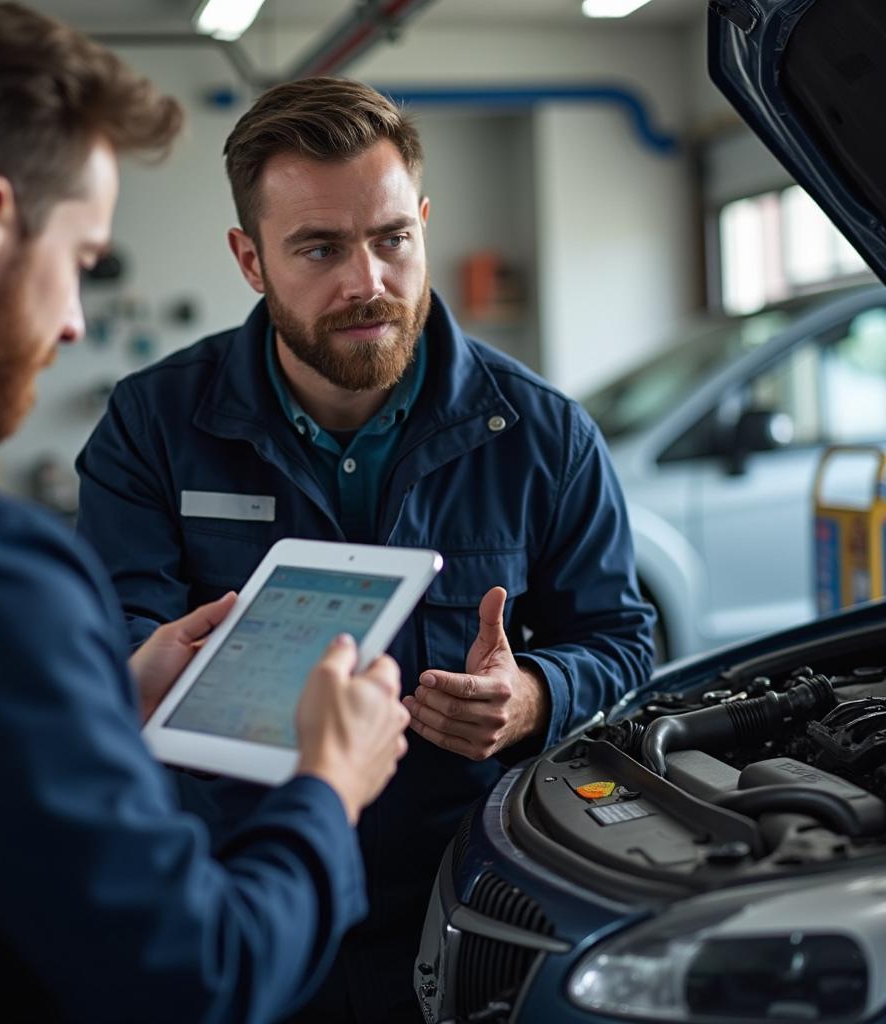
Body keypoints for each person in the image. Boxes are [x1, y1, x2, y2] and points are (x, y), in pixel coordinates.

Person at [0, 4, 411, 1022]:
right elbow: (198, 971)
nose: (74, 321)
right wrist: (329, 783)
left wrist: (105, 694)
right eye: (81, 260)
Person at [76, 77, 656, 1022]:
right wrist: (150, 660)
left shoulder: (543, 434)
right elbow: (115, 638)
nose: (368, 283)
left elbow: (624, 640)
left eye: (393, 239)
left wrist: (536, 695)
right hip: (242, 901)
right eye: (319, 248)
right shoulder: (152, 425)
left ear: (424, 221)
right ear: (250, 259)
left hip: (467, 909)